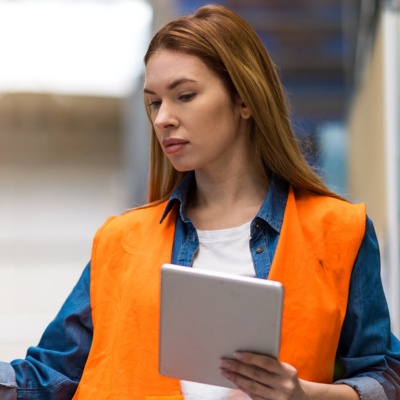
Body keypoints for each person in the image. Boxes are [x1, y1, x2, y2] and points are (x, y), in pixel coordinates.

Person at [1, 4, 400, 400]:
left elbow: (387, 376)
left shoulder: (339, 232)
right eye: (155, 102)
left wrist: (305, 395)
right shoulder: (119, 241)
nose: (162, 119)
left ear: (244, 99)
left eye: (185, 95)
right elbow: (49, 375)